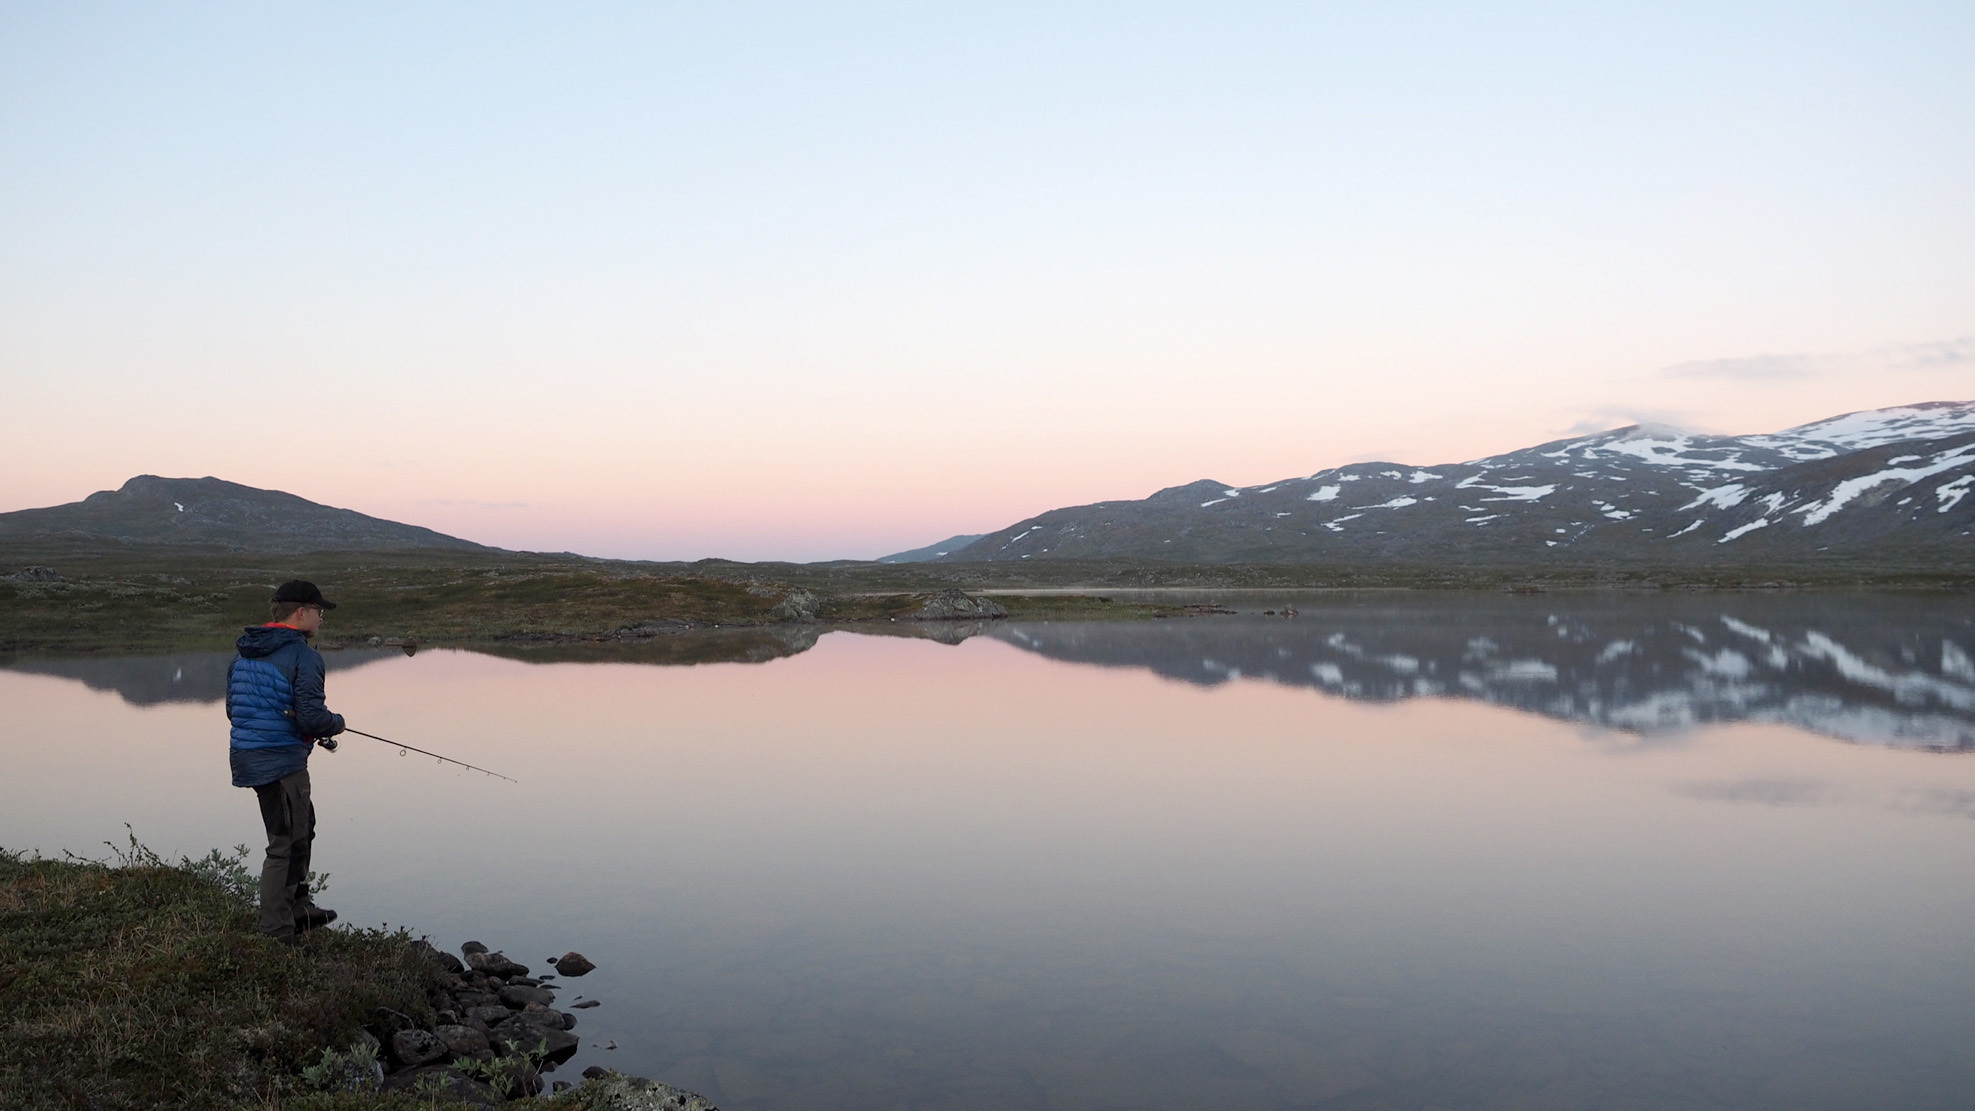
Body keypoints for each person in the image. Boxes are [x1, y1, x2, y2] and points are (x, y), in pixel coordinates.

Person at [227, 580, 346, 944]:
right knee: (284, 843)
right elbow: (311, 717)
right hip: (280, 762)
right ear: (300, 613)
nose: (321, 618)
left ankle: (298, 906)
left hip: (250, 756)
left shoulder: (244, 653)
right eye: (318, 611)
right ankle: (277, 933)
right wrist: (336, 723)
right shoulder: (304, 657)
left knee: (302, 827)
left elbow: (234, 710)